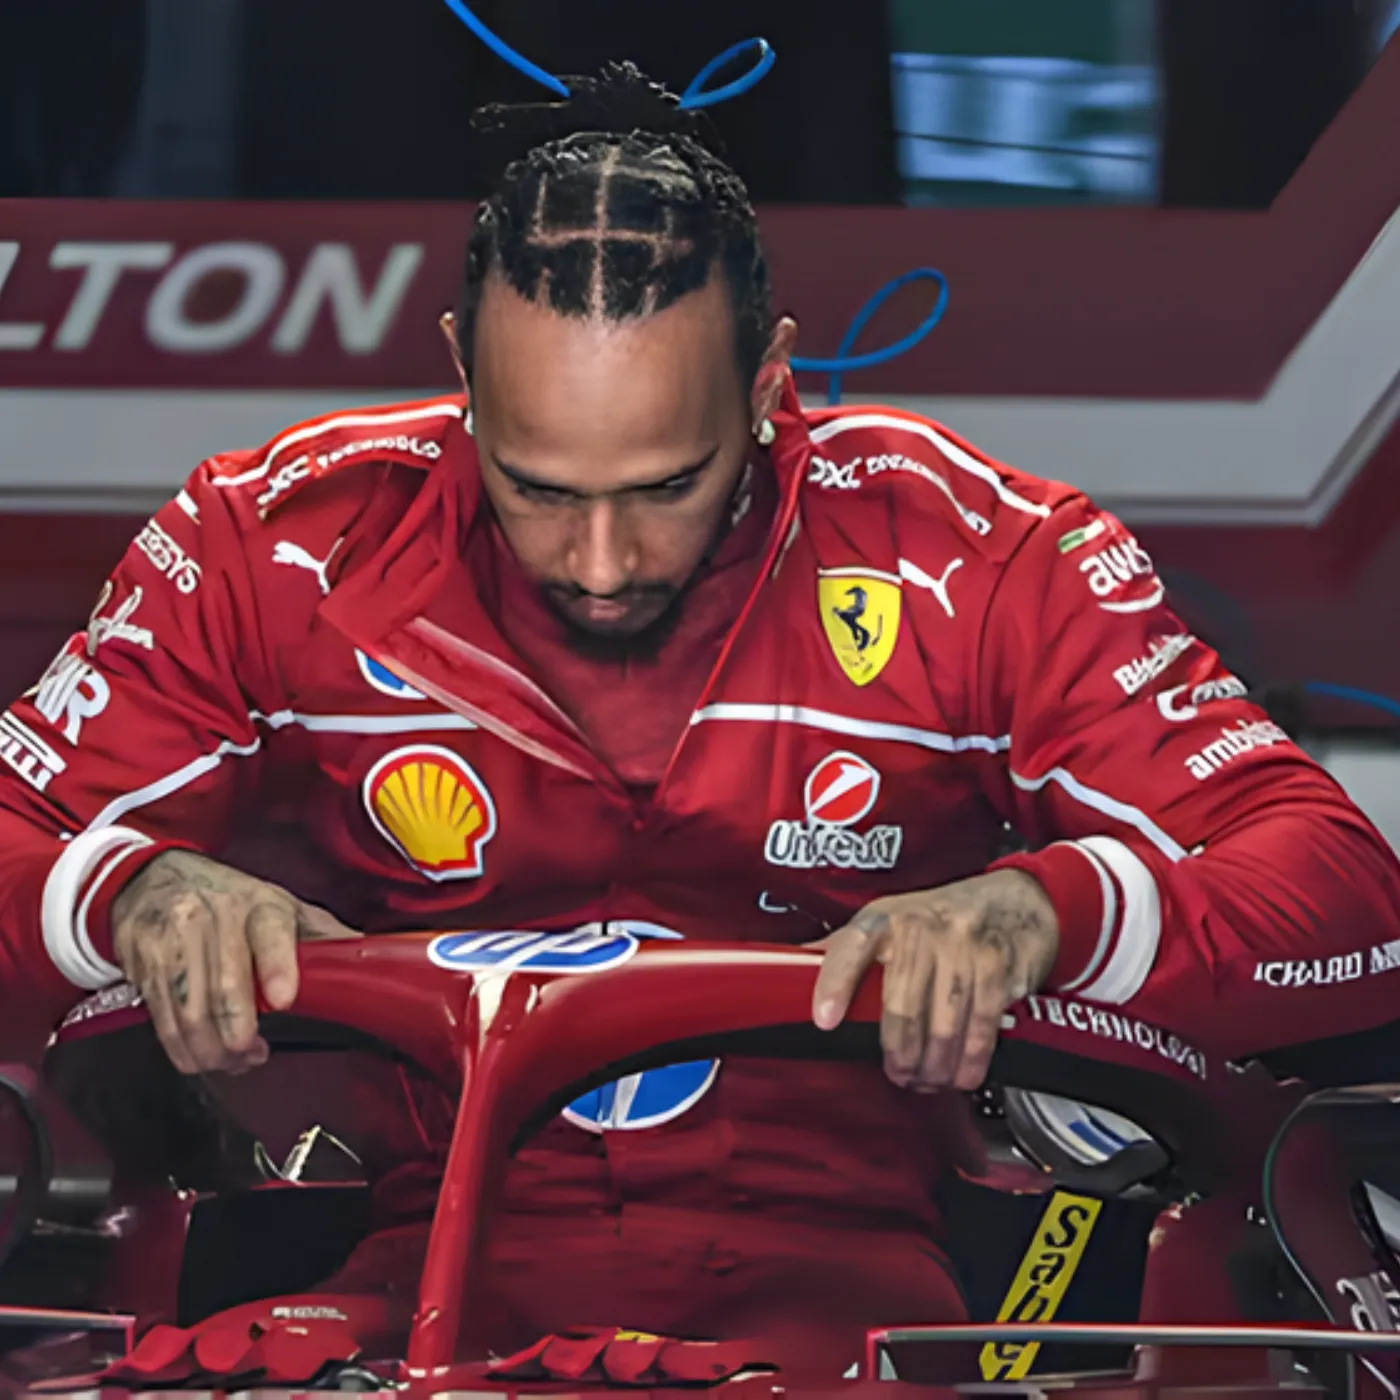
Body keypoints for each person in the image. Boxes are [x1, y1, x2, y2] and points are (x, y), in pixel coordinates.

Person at [2, 64, 1398, 1371]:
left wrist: (1046, 909)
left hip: (854, 1308)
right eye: (538, 487)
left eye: (668, 485)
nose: (602, 564)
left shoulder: (978, 554)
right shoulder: (271, 540)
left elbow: (1351, 897)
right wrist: (127, 893)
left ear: (772, 385)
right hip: (408, 1285)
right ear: (462, 378)